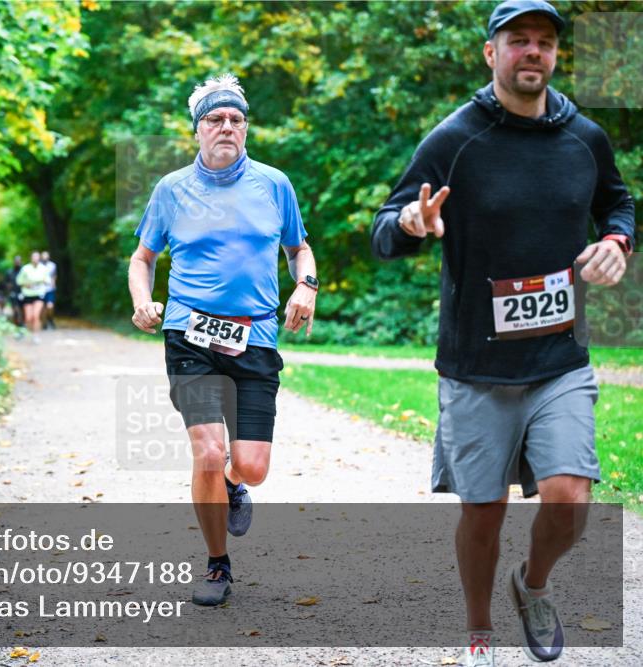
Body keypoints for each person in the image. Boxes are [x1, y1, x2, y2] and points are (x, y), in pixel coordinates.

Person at [371, 2, 635, 665]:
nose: (533, 52)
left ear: (555, 57)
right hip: (475, 367)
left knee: (571, 497)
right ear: (491, 53)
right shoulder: (454, 139)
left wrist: (618, 239)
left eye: (545, 42)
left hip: (560, 359)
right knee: (482, 512)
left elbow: (619, 200)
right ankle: (479, 631)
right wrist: (410, 225)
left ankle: (534, 584)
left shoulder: (585, 137)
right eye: (518, 40)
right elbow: (384, 226)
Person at [128, 73, 318, 607]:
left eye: (236, 119)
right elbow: (142, 259)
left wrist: (306, 285)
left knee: (251, 464)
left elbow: (300, 250)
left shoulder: (274, 184)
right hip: (189, 333)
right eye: (215, 119)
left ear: (246, 129)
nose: (227, 127)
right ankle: (217, 565)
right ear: (197, 131)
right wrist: (142, 301)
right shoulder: (171, 190)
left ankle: (235, 486)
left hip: (255, 335)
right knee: (208, 450)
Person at [16, 251, 52, 338]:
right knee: (28, 317)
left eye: (37, 257)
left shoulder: (43, 269)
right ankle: (28, 332)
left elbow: (48, 281)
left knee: (35, 315)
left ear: (39, 258)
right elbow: (18, 281)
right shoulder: (25, 268)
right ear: (31, 258)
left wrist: (42, 281)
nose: (35, 259)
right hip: (27, 295)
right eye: (34, 257)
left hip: (39, 294)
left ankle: (36, 335)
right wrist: (26, 284)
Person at [6, 255, 25, 328]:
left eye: (19, 261)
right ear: (14, 262)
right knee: (15, 310)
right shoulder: (9, 272)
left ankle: (21, 323)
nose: (17, 262)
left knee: (22, 310)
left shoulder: (24, 271)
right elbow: (6, 283)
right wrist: (8, 289)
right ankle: (17, 325)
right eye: (16, 261)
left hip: (23, 293)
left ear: (21, 262)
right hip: (13, 293)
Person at [41, 250, 58, 330]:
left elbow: (54, 276)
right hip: (41, 290)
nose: (45, 257)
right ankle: (44, 323)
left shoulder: (52, 265)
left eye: (46, 256)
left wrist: (53, 284)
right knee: (43, 308)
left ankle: (50, 319)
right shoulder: (39, 266)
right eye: (43, 256)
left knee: (50, 306)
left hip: (50, 289)